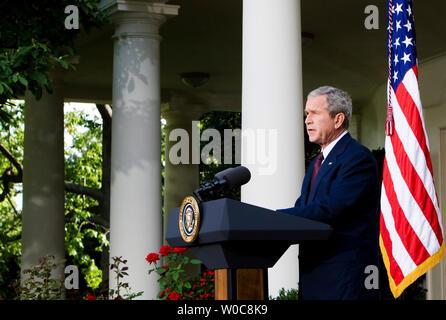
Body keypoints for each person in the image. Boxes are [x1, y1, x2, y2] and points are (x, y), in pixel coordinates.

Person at [277, 86, 380, 300]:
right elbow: (303, 209)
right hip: (316, 276)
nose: (307, 120)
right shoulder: (318, 161)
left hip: (345, 279)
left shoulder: (357, 158)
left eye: (315, 113)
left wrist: (274, 218)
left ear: (338, 119)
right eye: (306, 114)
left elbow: (329, 209)